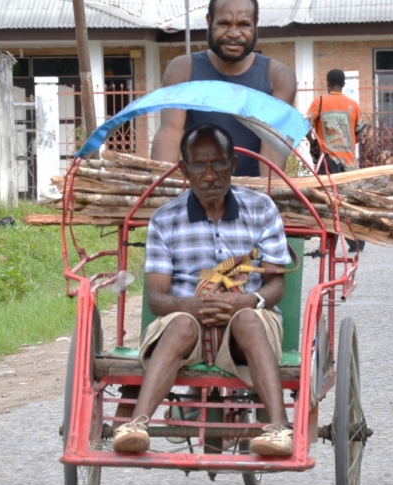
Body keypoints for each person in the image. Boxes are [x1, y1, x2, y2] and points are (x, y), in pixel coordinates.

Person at [113, 123, 294, 457]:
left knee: (247, 319)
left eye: (218, 163)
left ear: (233, 165)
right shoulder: (165, 219)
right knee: (181, 323)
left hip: (249, 328)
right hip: (185, 329)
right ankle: (137, 424)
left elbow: (277, 284)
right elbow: (156, 298)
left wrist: (248, 300)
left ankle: (279, 430)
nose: (210, 175)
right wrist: (193, 307)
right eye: (199, 165)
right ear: (184, 170)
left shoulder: (261, 208)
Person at [150, 0, 297, 177]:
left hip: (252, 193)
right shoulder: (182, 70)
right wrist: (158, 190)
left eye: (243, 24)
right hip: (198, 189)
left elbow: (272, 153)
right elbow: (170, 133)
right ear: (209, 21)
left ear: (255, 24)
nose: (234, 34)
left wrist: (265, 201)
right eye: (224, 23)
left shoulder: (278, 78)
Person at [307, 68, 367, 252]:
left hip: (327, 162)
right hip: (349, 164)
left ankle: (324, 242)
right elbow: (360, 134)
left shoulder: (319, 102)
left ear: (327, 83)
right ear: (344, 84)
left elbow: (306, 125)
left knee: (324, 201)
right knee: (347, 202)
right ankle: (356, 241)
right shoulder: (353, 105)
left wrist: (313, 143)